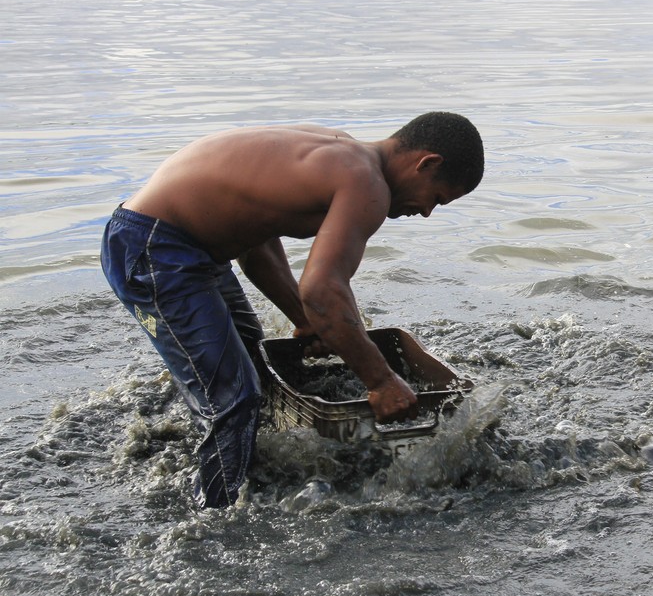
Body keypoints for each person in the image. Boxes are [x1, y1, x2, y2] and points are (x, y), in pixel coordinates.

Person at [100, 112, 484, 509]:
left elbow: (257, 246)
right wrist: (381, 381)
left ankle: (241, 469)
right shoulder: (366, 184)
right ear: (428, 163)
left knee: (252, 361)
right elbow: (323, 289)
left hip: (180, 245)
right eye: (436, 198)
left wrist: (306, 321)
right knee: (235, 398)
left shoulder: (342, 154)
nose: (425, 213)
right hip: (154, 250)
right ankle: (212, 516)